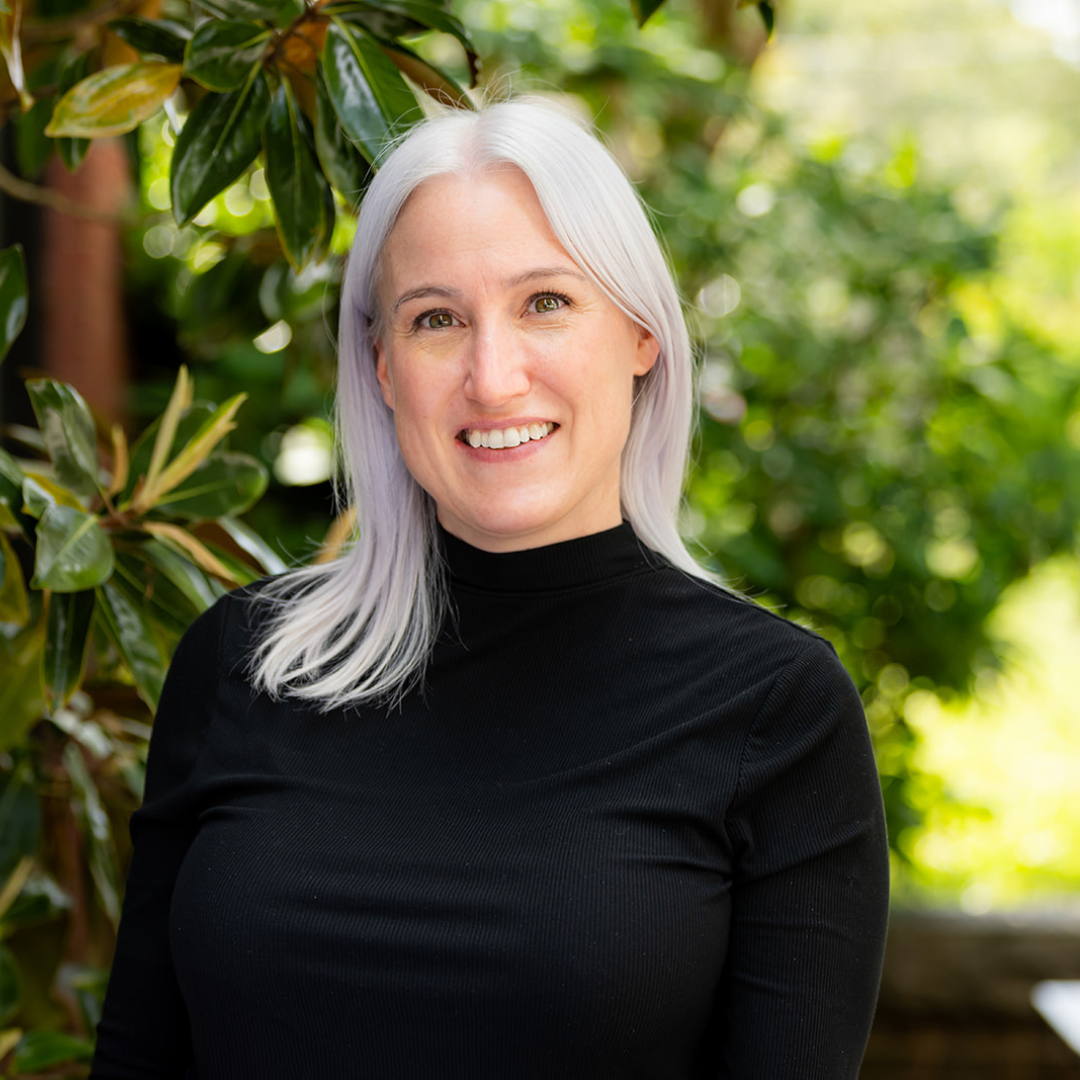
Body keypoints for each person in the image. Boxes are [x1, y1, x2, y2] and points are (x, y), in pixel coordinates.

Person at [90, 98, 889, 1080]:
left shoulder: (776, 709)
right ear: (381, 366)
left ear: (641, 334)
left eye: (545, 302)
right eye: (437, 319)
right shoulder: (243, 663)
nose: (493, 377)